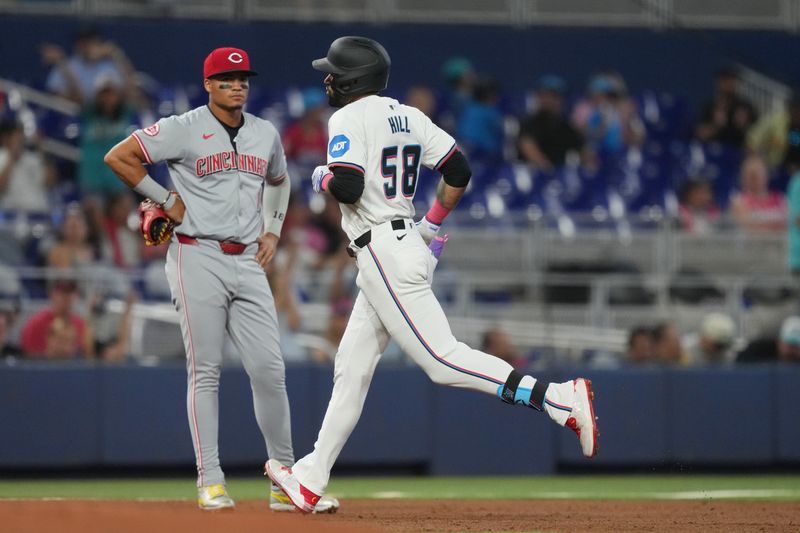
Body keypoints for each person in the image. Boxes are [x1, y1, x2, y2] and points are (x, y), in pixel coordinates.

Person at [265, 36, 598, 513]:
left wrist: (319, 177)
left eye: (335, 72)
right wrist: (431, 224)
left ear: (353, 79)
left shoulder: (347, 117)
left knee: (443, 361)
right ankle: (309, 477)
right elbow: (458, 170)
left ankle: (559, 399)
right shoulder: (409, 115)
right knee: (351, 371)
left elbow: (348, 184)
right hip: (400, 243)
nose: (328, 79)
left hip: (382, 248)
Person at [103, 47, 337, 513]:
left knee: (271, 372)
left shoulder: (265, 132)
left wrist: (273, 227)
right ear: (208, 84)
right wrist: (163, 196)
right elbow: (119, 156)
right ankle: (210, 479)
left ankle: (284, 479)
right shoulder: (183, 128)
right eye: (227, 79)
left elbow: (280, 179)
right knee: (205, 371)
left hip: (248, 259)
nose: (237, 85)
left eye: (242, 78)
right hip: (196, 255)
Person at [41, 27, 135, 104]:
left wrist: (116, 55)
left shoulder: (109, 66)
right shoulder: (66, 65)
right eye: (82, 42)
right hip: (73, 119)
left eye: (90, 42)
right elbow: (56, 97)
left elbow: (130, 94)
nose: (86, 46)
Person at [517, 74, 584, 171]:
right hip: (530, 175)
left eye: (554, 96)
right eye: (544, 95)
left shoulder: (566, 127)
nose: (548, 100)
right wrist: (547, 169)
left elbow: (583, 152)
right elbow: (528, 148)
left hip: (557, 177)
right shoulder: (528, 123)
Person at [19, 279, 93, 359]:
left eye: (70, 294)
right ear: (52, 295)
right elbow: (27, 352)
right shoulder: (36, 322)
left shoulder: (80, 324)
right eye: (62, 294)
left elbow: (87, 354)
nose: (67, 298)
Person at [0, 119, 55, 214]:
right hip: (12, 218)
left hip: (39, 215)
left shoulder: (33, 158)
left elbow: (50, 183)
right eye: (16, 136)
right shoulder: (2, 157)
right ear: (5, 138)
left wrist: (42, 151)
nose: (19, 139)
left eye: (21, 135)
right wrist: (12, 156)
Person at [694, 66, 757, 149]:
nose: (728, 85)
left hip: (737, 153)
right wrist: (716, 126)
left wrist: (743, 126)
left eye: (732, 81)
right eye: (725, 81)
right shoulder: (709, 107)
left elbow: (757, 137)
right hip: (711, 151)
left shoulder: (745, 107)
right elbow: (699, 134)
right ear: (718, 83)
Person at [729, 154, 787, 232]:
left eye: (756, 175)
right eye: (750, 175)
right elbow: (749, 226)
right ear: (743, 178)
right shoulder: (738, 201)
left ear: (766, 175)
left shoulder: (780, 199)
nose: (754, 179)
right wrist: (776, 225)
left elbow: (789, 224)